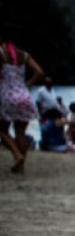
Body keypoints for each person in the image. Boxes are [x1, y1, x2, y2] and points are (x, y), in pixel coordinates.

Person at [0, 41, 43, 173]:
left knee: (2, 130)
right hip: (25, 96)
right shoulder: (24, 55)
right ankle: (20, 167)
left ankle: (17, 155)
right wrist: (28, 84)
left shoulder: (1, 53)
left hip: (7, 95)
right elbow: (40, 72)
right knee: (21, 133)